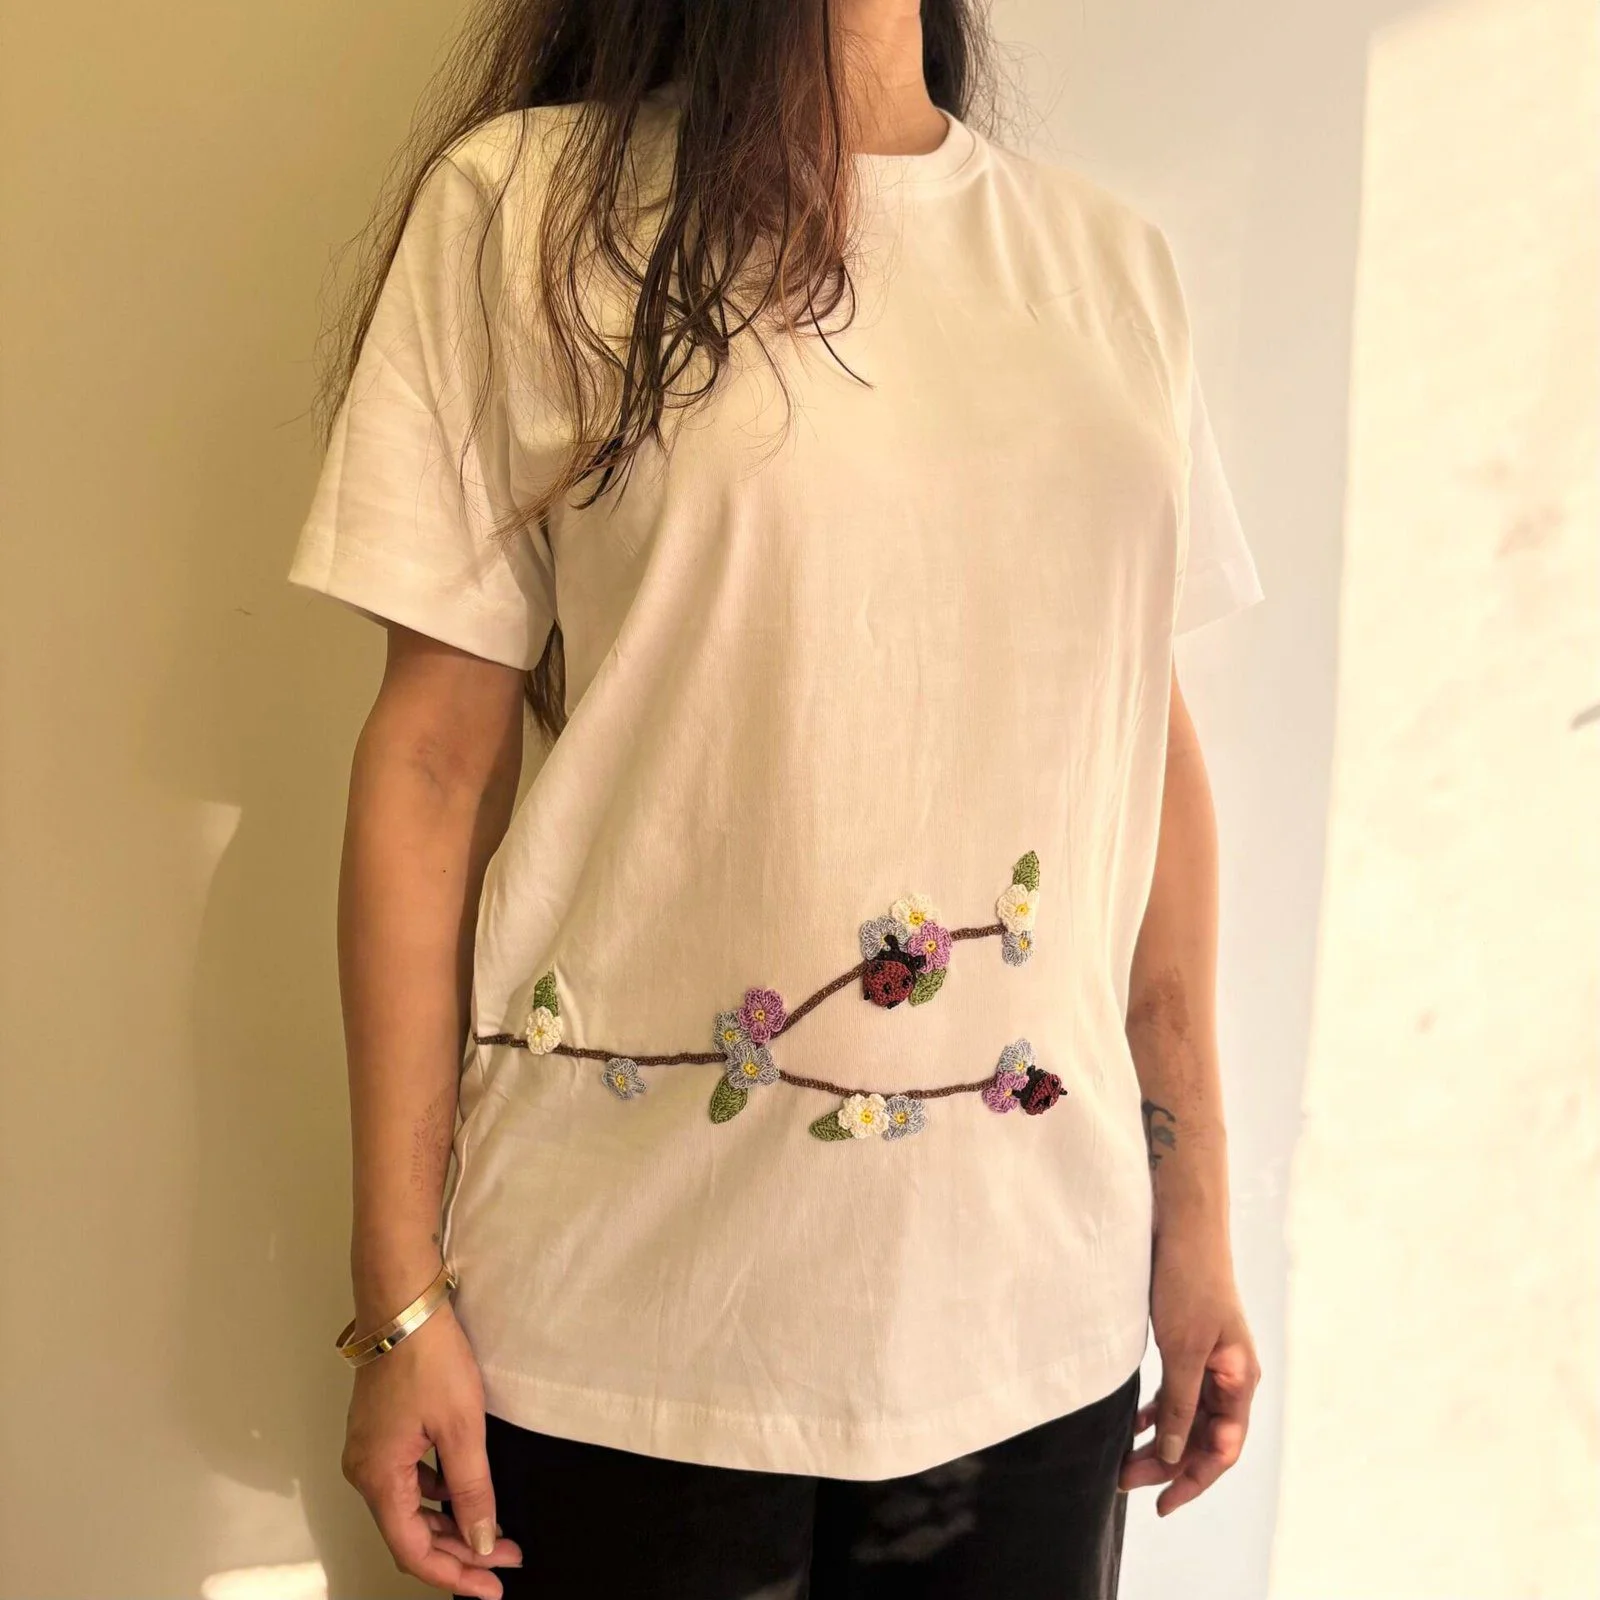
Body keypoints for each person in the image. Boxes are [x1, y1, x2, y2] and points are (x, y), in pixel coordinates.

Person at [288, 2, 1265, 1595]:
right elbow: (430, 765)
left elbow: (1142, 755)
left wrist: (1198, 1218)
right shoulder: (528, 213)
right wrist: (397, 1298)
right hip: (621, 1334)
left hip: (1033, 1327)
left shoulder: (1107, 267)